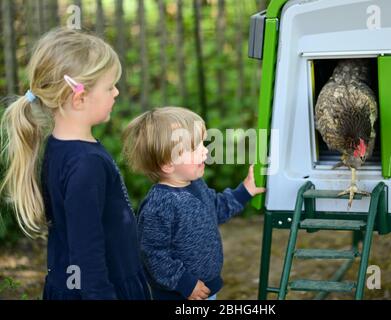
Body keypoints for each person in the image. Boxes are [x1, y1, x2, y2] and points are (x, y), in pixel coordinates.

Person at [0, 28, 150, 300]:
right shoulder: (86, 165)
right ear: (79, 98)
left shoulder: (61, 148)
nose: (116, 92)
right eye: (109, 86)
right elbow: (86, 252)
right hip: (100, 289)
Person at [122, 106, 265, 300]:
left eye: (202, 143)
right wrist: (185, 284)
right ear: (167, 163)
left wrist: (244, 192)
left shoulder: (196, 184)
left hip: (205, 289)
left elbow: (216, 208)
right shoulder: (160, 205)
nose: (205, 151)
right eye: (194, 147)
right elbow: (153, 254)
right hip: (180, 294)